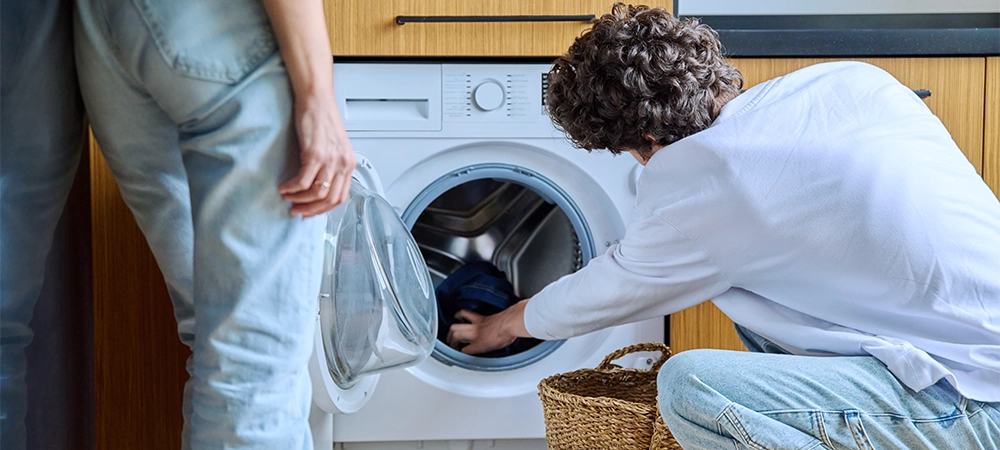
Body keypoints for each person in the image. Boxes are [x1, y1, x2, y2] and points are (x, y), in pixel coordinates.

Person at [447, 4, 1000, 448]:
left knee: (691, 386)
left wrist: (504, 325)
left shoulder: (706, 185)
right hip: (969, 347)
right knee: (761, 302)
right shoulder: (849, 81)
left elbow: (598, 294)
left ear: (647, 145)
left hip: (975, 402)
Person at [2, 0, 355, 448]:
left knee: (221, 341)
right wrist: (318, 95)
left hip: (100, 31)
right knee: (253, 363)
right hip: (208, 29)